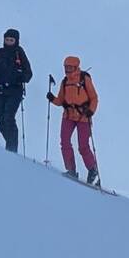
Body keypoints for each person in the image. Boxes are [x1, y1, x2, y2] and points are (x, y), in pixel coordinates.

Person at [47, 55, 100, 186]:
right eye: (66, 67)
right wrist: (52, 98)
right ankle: (71, 170)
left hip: (83, 116)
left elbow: (94, 97)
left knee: (83, 146)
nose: (67, 70)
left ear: (76, 67)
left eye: (70, 67)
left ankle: (92, 170)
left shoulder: (84, 79)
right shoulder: (65, 82)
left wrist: (91, 111)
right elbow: (61, 100)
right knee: (64, 142)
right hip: (68, 116)